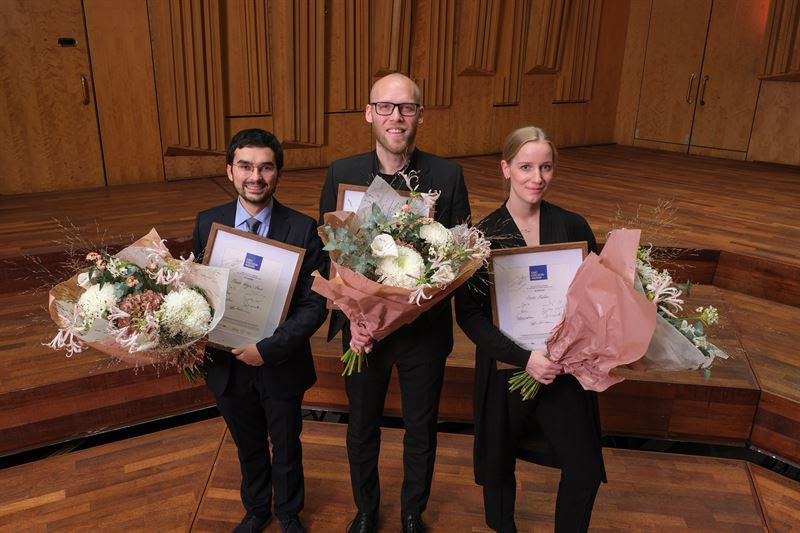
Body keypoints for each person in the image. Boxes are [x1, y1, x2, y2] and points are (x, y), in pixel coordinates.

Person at [319, 73, 471, 533]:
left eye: (406, 107)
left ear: (420, 114)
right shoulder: (341, 173)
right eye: (385, 107)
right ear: (369, 113)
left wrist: (415, 303)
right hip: (362, 332)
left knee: (421, 428)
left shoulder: (447, 176)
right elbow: (332, 255)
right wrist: (354, 318)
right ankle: (366, 510)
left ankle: (411, 513)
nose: (396, 117)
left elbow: (458, 259)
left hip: (423, 330)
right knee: (362, 425)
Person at [454, 126, 606, 533]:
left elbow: (597, 299)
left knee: (585, 469)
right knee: (498, 467)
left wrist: (565, 350)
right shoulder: (481, 237)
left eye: (546, 167)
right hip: (507, 368)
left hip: (563, 368)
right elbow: (469, 315)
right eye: (525, 167)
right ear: (505, 168)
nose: (536, 178)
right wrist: (525, 358)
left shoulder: (573, 227)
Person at [193, 129, 328, 533]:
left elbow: (314, 306)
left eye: (266, 167)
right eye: (246, 166)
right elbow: (196, 291)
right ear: (229, 171)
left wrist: (267, 349)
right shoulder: (207, 222)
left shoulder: (302, 228)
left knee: (286, 446)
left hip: (279, 361)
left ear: (278, 173)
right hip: (226, 363)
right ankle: (256, 510)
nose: (256, 177)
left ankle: (288, 513)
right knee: (247, 444)